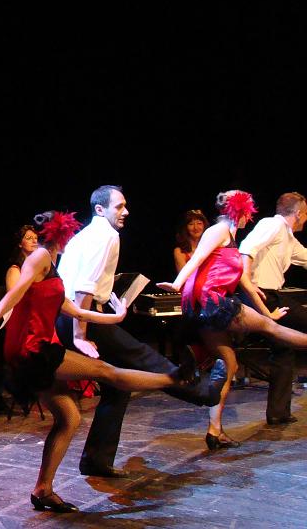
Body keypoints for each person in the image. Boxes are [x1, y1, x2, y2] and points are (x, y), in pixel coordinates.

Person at [0, 210, 195, 513]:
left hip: (36, 348)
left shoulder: (52, 268)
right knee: (105, 371)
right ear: (60, 235)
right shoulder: (40, 257)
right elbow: (18, 289)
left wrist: (117, 316)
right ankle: (174, 378)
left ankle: (43, 490)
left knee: (70, 418)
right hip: (33, 349)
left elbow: (76, 311)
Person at [55, 185, 223, 478]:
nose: (126, 212)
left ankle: (96, 459)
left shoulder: (84, 235)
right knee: (141, 356)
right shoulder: (107, 236)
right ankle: (203, 391)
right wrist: (80, 335)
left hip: (70, 316)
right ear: (100, 209)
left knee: (118, 387)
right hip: (82, 318)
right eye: (119, 207)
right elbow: (83, 288)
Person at [158, 190, 307, 449]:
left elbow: (244, 281)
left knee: (229, 364)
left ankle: (214, 431)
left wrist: (266, 311)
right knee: (272, 329)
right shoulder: (218, 231)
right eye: (248, 212)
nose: (250, 217)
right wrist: (177, 283)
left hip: (208, 305)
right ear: (239, 211)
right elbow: (198, 258)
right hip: (212, 303)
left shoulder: (231, 236)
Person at [239, 192, 307, 425]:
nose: (306, 219)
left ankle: (278, 412)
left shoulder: (287, 237)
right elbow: (247, 247)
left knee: (283, 349)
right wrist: (247, 280)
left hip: (271, 295)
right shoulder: (272, 224)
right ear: (298, 214)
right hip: (262, 295)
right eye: (305, 214)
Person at [6, 225, 39, 290]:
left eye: (36, 238)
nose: (34, 241)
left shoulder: (40, 266)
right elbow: (13, 296)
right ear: (20, 244)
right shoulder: (15, 270)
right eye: (29, 238)